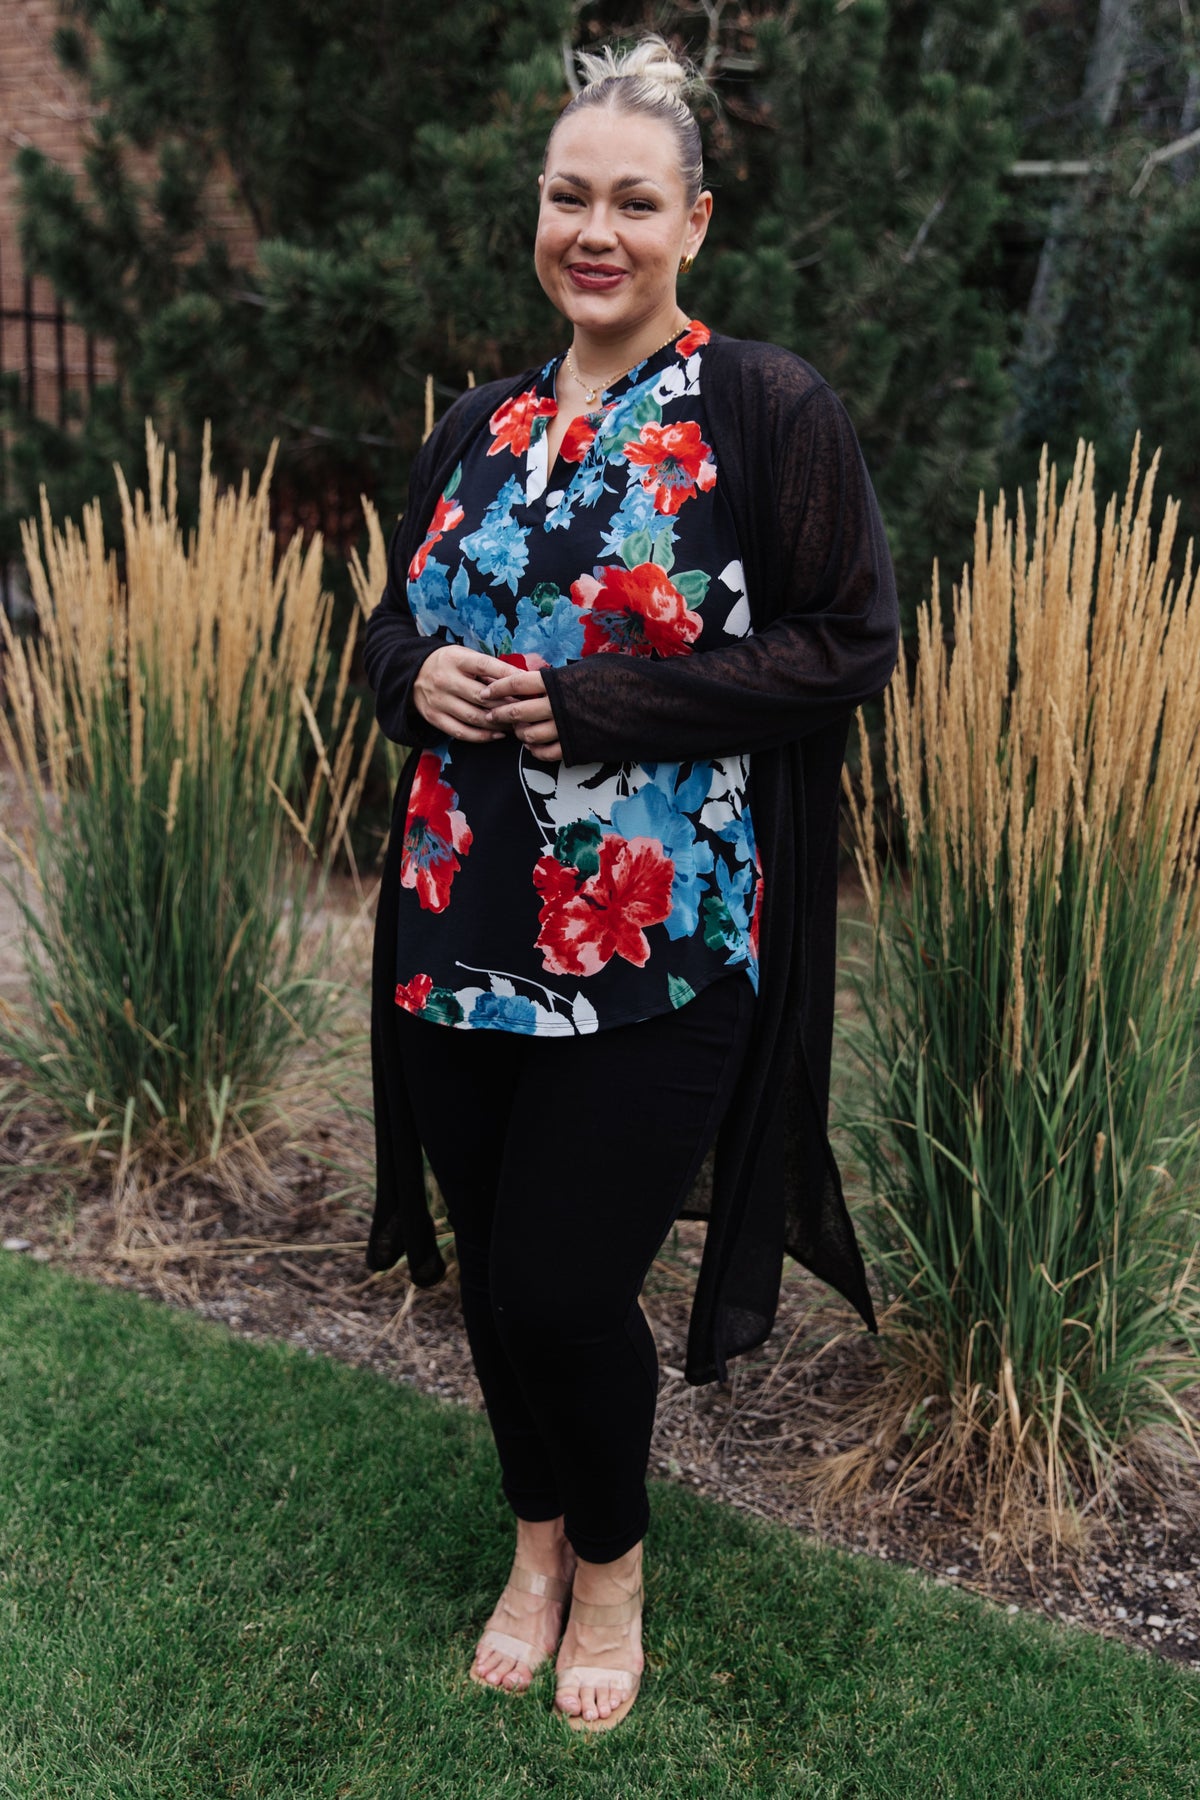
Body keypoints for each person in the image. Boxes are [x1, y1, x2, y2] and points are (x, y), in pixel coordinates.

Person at [363, 37, 898, 1731]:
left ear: (694, 224)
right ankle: (534, 1543)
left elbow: (847, 647)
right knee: (488, 1276)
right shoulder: (482, 422)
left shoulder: (762, 408)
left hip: (656, 948)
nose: (596, 229)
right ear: (539, 210)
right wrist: (412, 680)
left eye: (634, 202)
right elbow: (394, 624)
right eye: (569, 195)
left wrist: (596, 702)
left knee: (563, 1289)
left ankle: (615, 1565)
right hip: (454, 930)